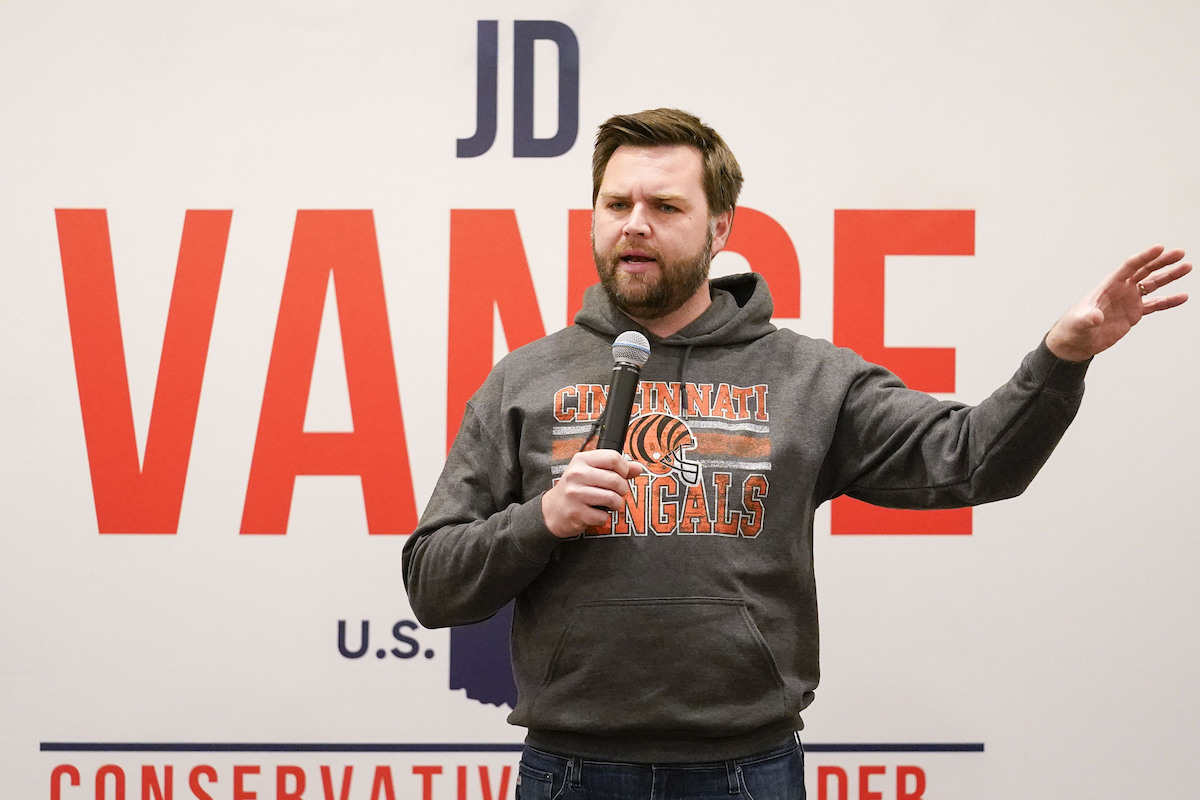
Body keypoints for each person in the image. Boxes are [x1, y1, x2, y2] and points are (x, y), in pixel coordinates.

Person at [402, 108, 1190, 799]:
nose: (634, 222)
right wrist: (541, 519)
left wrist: (1060, 356)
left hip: (745, 770)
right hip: (569, 770)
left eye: (665, 205)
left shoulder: (812, 378)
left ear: (719, 229)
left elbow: (974, 460)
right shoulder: (526, 379)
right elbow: (432, 583)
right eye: (617, 203)